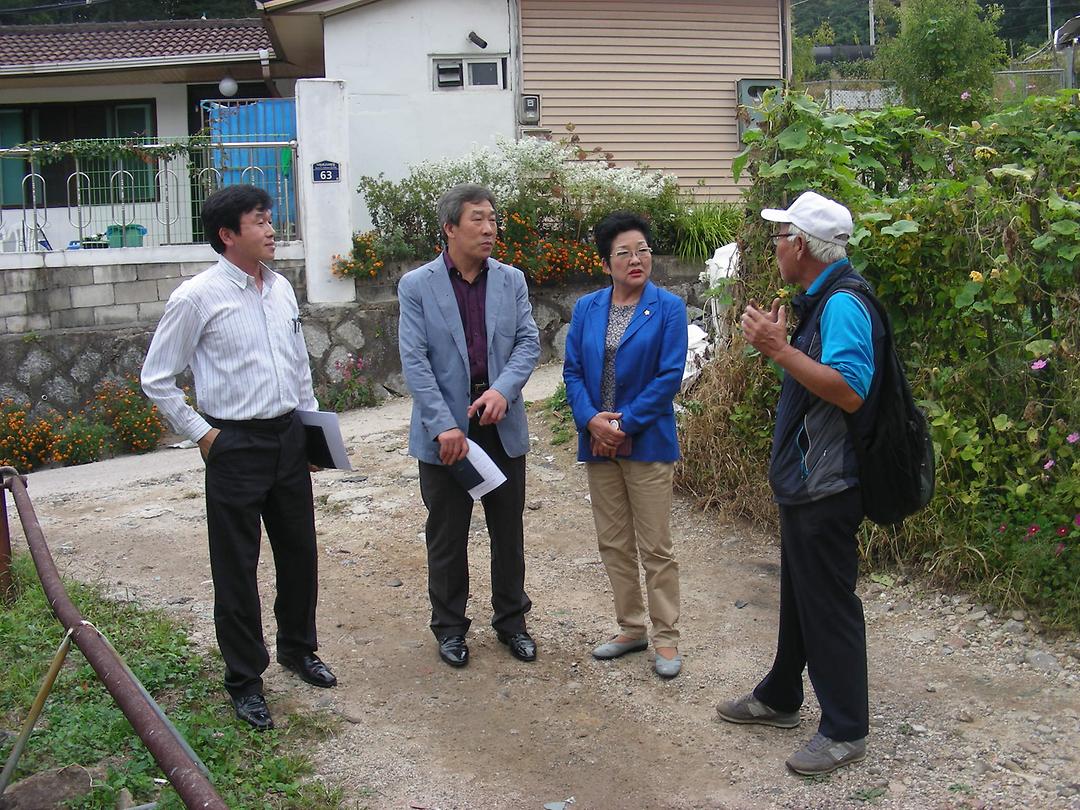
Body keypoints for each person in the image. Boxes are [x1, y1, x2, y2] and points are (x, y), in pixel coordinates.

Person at [141, 185, 336, 732]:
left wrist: (311, 432)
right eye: (260, 221)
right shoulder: (197, 297)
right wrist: (203, 435)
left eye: (270, 219)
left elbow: (298, 367)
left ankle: (298, 649)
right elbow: (156, 378)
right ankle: (246, 679)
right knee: (236, 566)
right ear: (228, 234)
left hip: (288, 437)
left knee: (299, 552)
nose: (272, 230)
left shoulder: (281, 288)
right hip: (234, 444)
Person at [716, 191, 884, 775]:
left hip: (828, 482)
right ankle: (782, 694)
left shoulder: (843, 304)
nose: (775, 247)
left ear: (803, 247)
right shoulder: (821, 299)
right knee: (801, 592)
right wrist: (782, 349)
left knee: (829, 601)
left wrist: (780, 350)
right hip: (810, 479)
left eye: (780, 237)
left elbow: (851, 390)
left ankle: (845, 729)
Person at [398, 183, 541, 668]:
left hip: (499, 423)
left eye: (493, 219)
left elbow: (527, 342)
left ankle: (512, 622)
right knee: (447, 534)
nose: (489, 228)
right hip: (446, 433)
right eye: (477, 219)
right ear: (450, 228)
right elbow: (415, 360)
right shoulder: (417, 285)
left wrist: (503, 390)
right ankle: (450, 628)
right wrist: (444, 425)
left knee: (508, 532)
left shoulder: (511, 280)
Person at [563, 211, 688, 679]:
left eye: (643, 251)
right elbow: (573, 371)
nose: (636, 260)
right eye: (624, 253)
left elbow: (668, 376)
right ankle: (631, 628)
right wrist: (591, 421)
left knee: (656, 546)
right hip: (598, 441)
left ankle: (667, 638)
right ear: (606, 263)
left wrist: (625, 425)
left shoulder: (669, 308)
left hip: (647, 441)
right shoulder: (587, 308)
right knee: (614, 542)